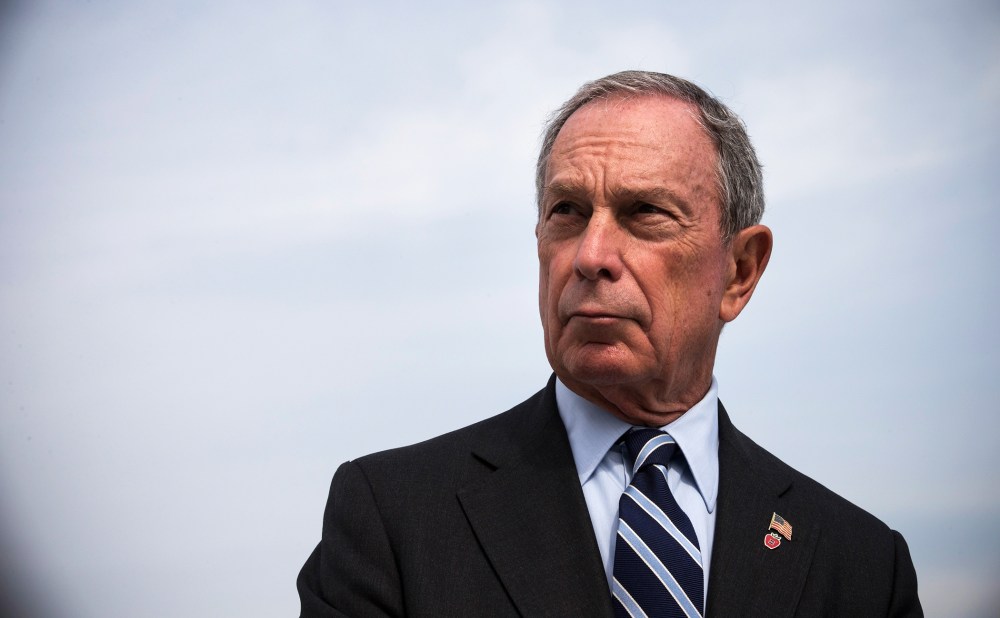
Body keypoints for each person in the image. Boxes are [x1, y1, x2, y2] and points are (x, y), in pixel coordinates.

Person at [297, 71, 922, 617]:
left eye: (645, 212)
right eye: (566, 211)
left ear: (740, 271)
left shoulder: (861, 563)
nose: (590, 257)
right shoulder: (391, 518)